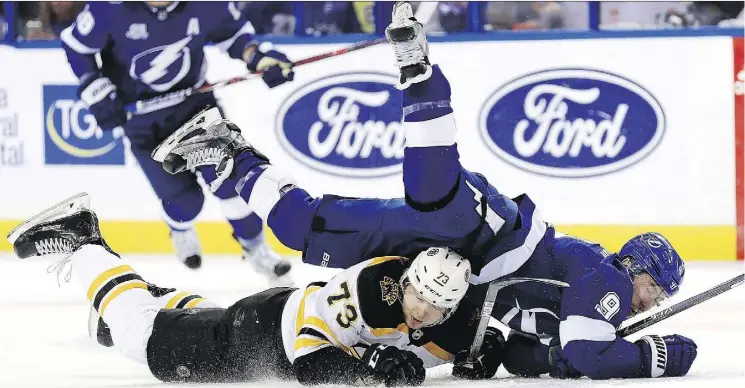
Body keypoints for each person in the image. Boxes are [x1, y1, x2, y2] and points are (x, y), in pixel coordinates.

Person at [149, 2, 699, 380]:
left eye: (659, 300)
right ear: (633, 266)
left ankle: (226, 152)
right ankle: (420, 76)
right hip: (487, 238)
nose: (648, 301)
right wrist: (663, 356)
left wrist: (526, 357)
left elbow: (546, 353)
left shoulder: (590, 294)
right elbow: (589, 355)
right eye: (652, 286)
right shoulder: (605, 280)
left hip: (446, 264)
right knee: (436, 195)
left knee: (303, 230)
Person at [6, 192, 505, 385]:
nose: (423, 312)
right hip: (263, 335)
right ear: (407, 281)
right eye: (421, 297)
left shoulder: (422, 302)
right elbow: (312, 365)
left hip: (270, 313)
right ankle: (85, 243)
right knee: (145, 340)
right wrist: (367, 374)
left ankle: (148, 294)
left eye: (439, 307)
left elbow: (430, 346)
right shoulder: (375, 296)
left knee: (206, 320)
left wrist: (473, 357)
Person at [59, 1, 293, 281]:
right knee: (185, 203)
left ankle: (256, 249)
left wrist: (257, 57)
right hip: (144, 125)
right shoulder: (109, 8)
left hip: (197, 111)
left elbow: (235, 36)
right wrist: (94, 87)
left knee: (231, 181)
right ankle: (180, 227)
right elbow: (76, 47)